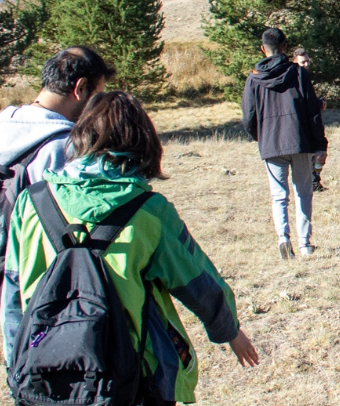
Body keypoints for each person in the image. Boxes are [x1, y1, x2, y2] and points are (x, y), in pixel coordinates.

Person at [1, 91, 259, 405]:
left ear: (81, 137)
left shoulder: (32, 201)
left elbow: (13, 293)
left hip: (43, 374)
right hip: (131, 377)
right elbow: (196, 280)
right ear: (142, 142)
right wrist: (228, 331)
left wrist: (18, 365)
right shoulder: (148, 210)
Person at [0, 46, 114, 276]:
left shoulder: (5, 123)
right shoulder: (64, 147)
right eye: (98, 96)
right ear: (81, 88)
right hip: (27, 277)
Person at [242, 28, 328, 259]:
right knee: (303, 192)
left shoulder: (253, 79)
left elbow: (248, 116)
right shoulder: (299, 74)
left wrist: (259, 137)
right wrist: (320, 143)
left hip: (271, 143)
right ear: (285, 47)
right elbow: (312, 112)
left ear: (263, 49)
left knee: (278, 195)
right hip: (299, 141)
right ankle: (305, 244)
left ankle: (283, 237)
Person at [292, 47, 327, 192]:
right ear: (295, 62)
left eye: (307, 61)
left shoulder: (306, 76)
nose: (306, 64)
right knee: (311, 155)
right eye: (302, 62)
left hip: (311, 122)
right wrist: (318, 104)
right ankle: (313, 181)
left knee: (317, 156)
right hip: (302, 124)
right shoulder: (294, 78)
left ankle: (316, 180)